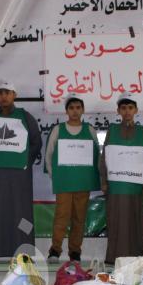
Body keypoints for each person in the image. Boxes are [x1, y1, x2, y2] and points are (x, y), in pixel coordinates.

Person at [0, 80, 42, 260]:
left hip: (18, 177)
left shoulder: (25, 117)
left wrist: (23, 161)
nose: (3, 96)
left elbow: (36, 142)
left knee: (22, 212)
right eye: (0, 93)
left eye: (7, 92)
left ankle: (24, 250)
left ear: (14, 95)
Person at [45, 96, 100, 262]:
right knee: (61, 217)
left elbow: (97, 156)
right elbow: (49, 155)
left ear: (83, 110)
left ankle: (75, 252)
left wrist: (96, 175)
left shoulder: (90, 130)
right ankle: (55, 250)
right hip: (64, 183)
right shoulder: (58, 129)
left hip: (83, 182)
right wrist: (54, 175)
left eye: (78, 107)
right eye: (71, 108)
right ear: (66, 111)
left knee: (79, 219)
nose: (75, 111)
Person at [99, 96, 143, 264]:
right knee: (116, 221)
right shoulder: (112, 130)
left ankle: (137, 259)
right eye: (123, 108)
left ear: (136, 110)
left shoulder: (142, 131)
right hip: (116, 185)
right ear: (118, 111)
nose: (127, 111)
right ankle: (115, 258)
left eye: (130, 108)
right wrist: (104, 180)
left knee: (136, 222)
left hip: (136, 185)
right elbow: (105, 157)